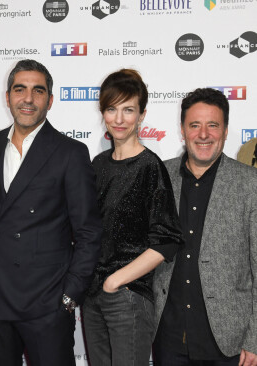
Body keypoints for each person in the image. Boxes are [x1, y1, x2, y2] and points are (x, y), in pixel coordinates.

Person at [0, 59, 102, 366]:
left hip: (46, 303)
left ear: (50, 100)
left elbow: (88, 231)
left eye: (37, 91)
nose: (28, 99)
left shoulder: (70, 152)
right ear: (7, 97)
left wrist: (69, 297)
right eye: (20, 89)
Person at [82, 69, 183, 365]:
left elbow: (167, 241)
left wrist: (116, 281)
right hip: (92, 297)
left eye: (129, 110)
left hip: (128, 297)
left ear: (142, 115)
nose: (119, 118)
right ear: (103, 113)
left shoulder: (150, 167)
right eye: (112, 109)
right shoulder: (98, 164)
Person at [153, 88, 257, 366]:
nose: (203, 134)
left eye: (213, 125)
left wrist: (255, 340)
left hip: (229, 342)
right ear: (182, 130)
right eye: (195, 125)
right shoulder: (159, 177)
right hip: (167, 337)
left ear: (224, 131)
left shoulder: (250, 183)